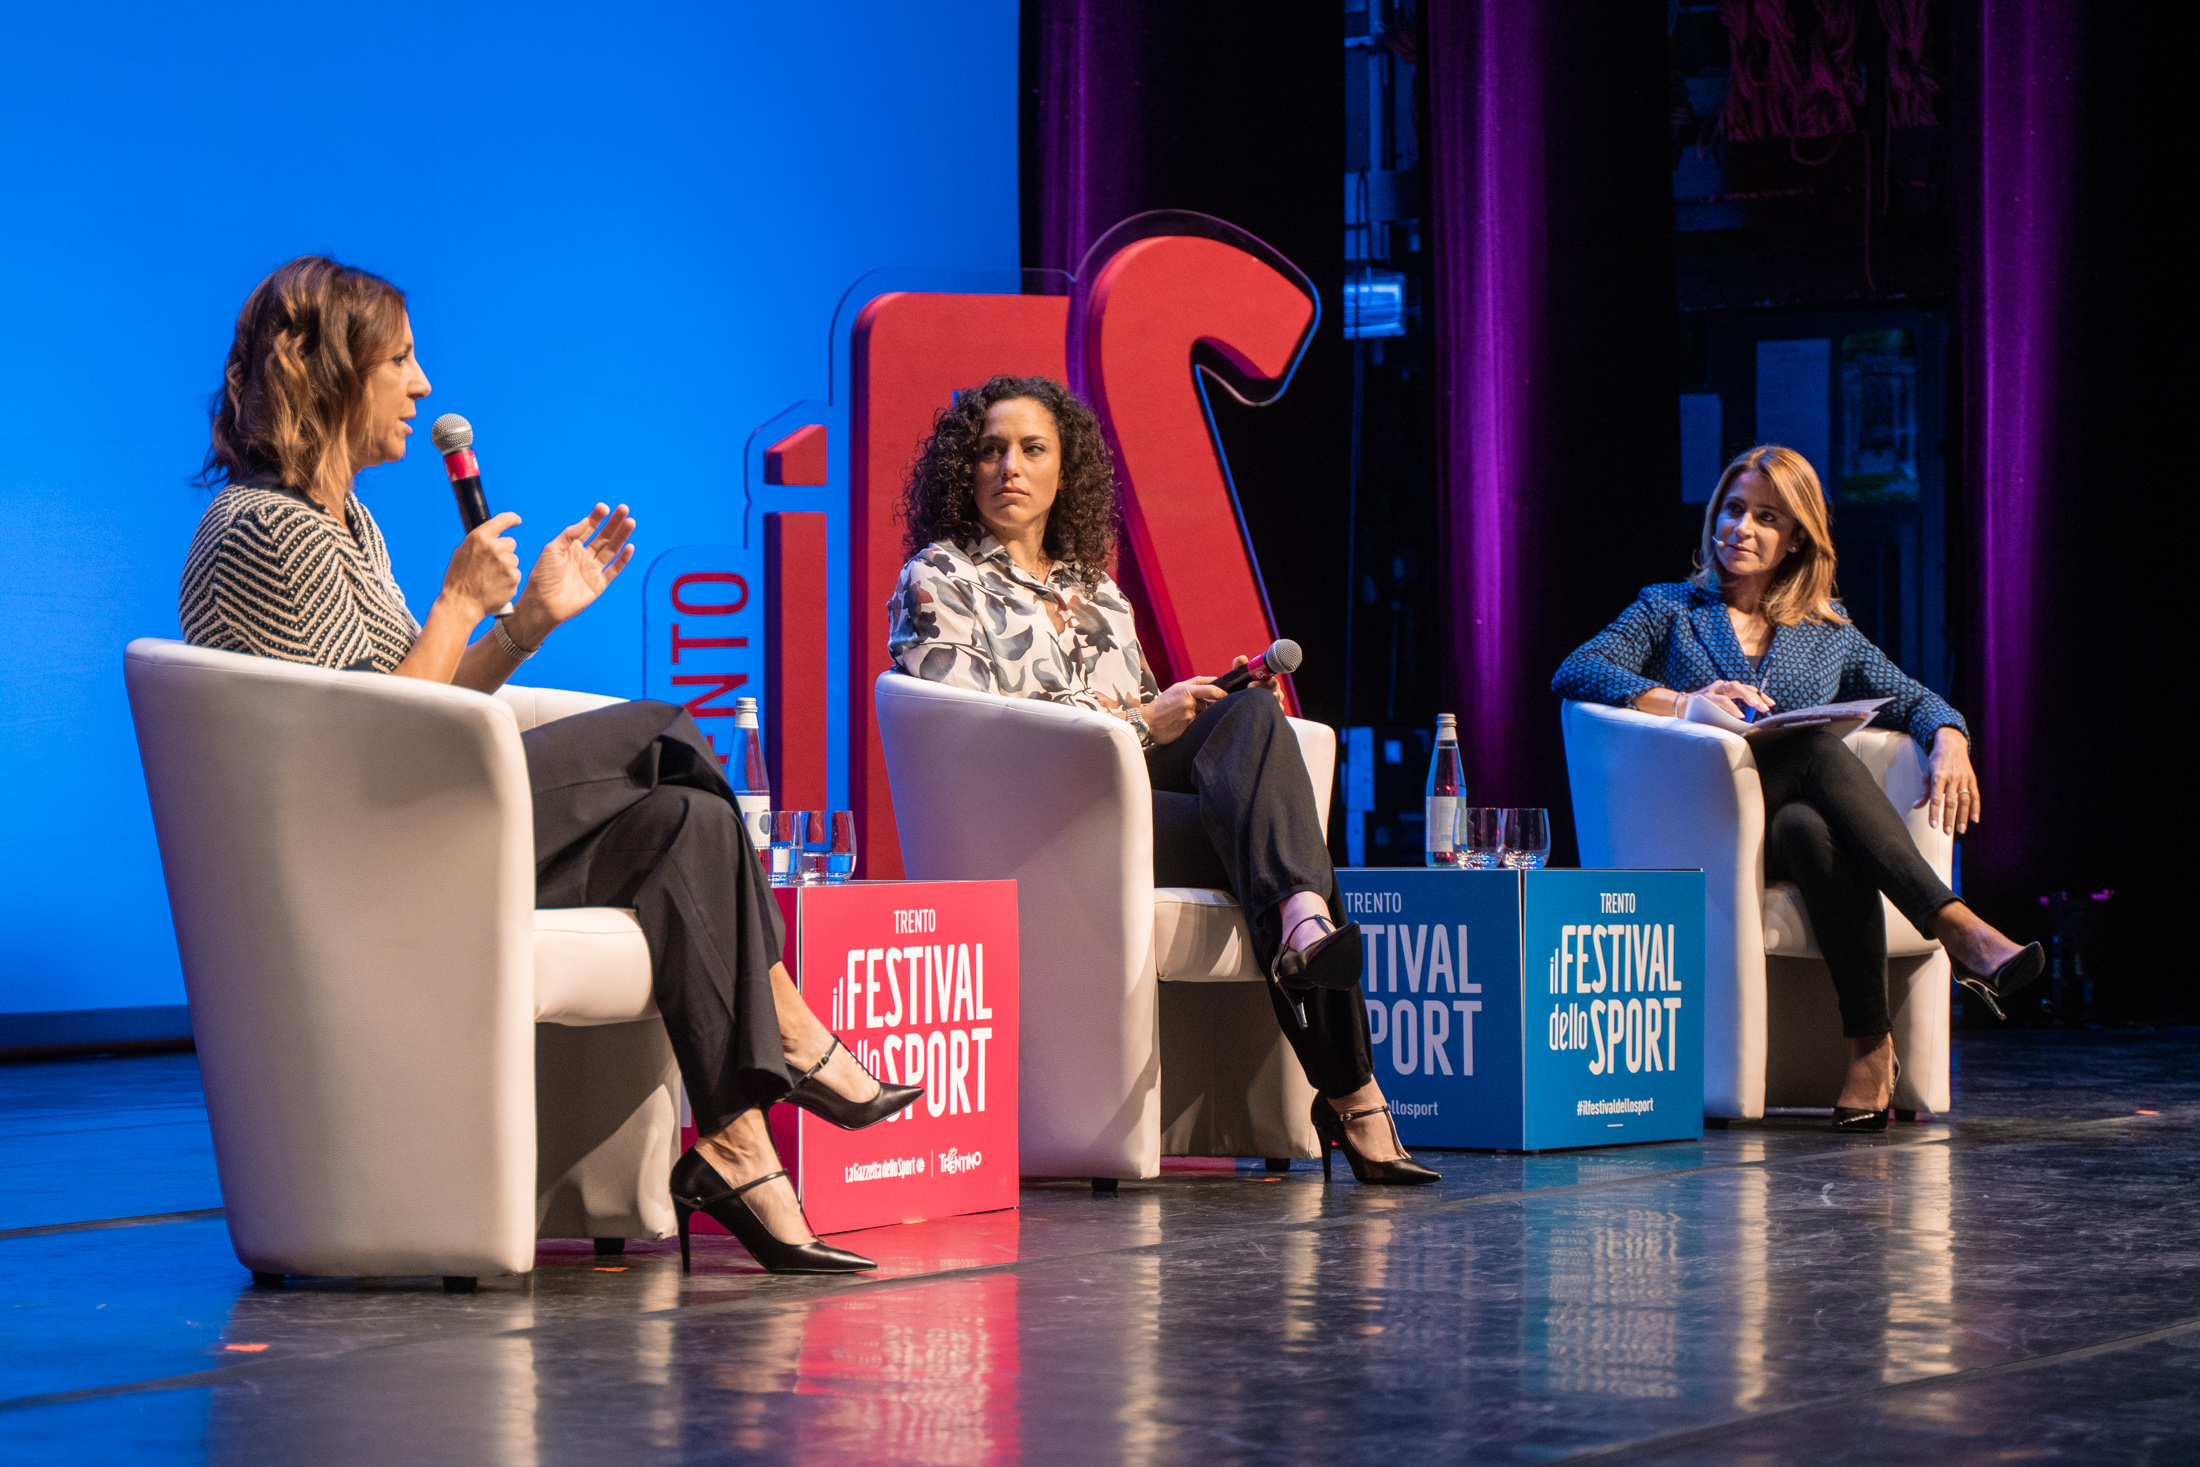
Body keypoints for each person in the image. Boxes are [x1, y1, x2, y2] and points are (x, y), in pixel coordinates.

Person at [179, 255, 919, 1271]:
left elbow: (415, 704)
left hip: (415, 817)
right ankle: (786, 1023)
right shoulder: (261, 528)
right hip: (359, 854)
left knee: (686, 823)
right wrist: (457, 607)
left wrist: (523, 623)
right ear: (322, 370)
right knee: (666, 733)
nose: (424, 384)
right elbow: (368, 751)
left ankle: (741, 1150)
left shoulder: (345, 523)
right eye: (399, 359)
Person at [885, 373, 1437, 1184]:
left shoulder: (1099, 591)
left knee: (1251, 718)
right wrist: (1148, 720)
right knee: (1279, 847)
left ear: (1063, 472)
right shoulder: (939, 578)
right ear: (962, 470)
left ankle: (1302, 924)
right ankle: (1354, 1090)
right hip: (1041, 826)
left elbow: (1141, 727)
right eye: (990, 450)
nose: (1009, 466)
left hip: (1131, 815)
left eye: (1032, 449)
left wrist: (1175, 712)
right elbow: (977, 735)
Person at [1552, 445, 2043, 1131]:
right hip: (1700, 825)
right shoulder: (1668, 608)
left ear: (1795, 539)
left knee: (1807, 829)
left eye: (1764, 517)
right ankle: (1955, 925)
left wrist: (1951, 736)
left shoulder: (1825, 631)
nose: (1740, 528)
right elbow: (1577, 669)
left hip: (1778, 834)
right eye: (1732, 509)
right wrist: (1683, 703)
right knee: (1812, 746)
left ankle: (1870, 1050)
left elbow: (1913, 698)